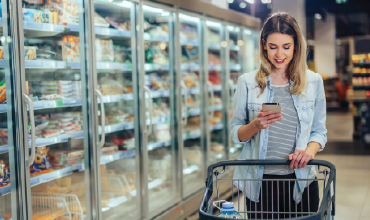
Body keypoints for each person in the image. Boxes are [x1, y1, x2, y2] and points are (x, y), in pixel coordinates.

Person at [230, 12, 327, 219]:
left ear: (296, 46)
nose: (279, 54)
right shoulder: (247, 82)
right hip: (260, 184)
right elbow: (235, 133)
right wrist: (256, 124)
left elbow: (319, 132)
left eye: (286, 47)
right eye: (273, 46)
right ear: (264, 44)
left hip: (301, 181)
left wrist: (308, 152)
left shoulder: (314, 82)